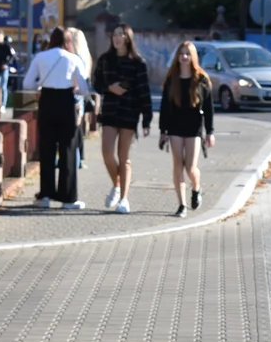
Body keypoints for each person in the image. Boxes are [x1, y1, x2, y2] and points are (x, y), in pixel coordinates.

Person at [22, 27, 90, 210]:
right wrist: (74, 88)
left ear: (51, 39)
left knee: (47, 149)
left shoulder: (40, 57)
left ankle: (45, 195)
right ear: (68, 41)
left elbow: (27, 83)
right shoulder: (74, 59)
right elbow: (84, 88)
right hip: (66, 102)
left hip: (47, 101)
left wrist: (41, 84)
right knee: (68, 149)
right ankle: (68, 198)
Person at [92, 24, 153, 214]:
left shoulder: (138, 62)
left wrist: (146, 119)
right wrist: (110, 88)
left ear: (128, 38)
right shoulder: (105, 59)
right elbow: (96, 82)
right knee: (107, 153)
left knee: (124, 157)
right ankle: (116, 185)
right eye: (114, 34)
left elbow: (144, 91)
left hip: (129, 111)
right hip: (110, 111)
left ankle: (124, 199)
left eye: (121, 35)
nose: (117, 38)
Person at [159, 42, 216, 218]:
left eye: (187, 54)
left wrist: (210, 132)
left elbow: (209, 108)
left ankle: (196, 188)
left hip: (194, 127)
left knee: (190, 167)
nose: (184, 57)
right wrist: (163, 131)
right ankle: (181, 205)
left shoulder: (201, 79)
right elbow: (164, 107)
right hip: (175, 126)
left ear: (193, 57)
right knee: (178, 165)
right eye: (181, 54)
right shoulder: (171, 79)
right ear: (177, 56)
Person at [67, 27, 93, 170]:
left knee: (74, 131)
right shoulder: (85, 56)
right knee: (77, 130)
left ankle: (76, 160)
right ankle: (79, 158)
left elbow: (78, 80)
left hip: (75, 96)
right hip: (80, 97)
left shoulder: (76, 57)